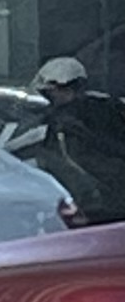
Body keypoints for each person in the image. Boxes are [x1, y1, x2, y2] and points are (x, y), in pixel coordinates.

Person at [35, 56, 125, 226]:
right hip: (88, 198)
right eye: (49, 92)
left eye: (58, 90)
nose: (53, 96)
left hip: (95, 200)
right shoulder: (53, 118)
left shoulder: (89, 114)